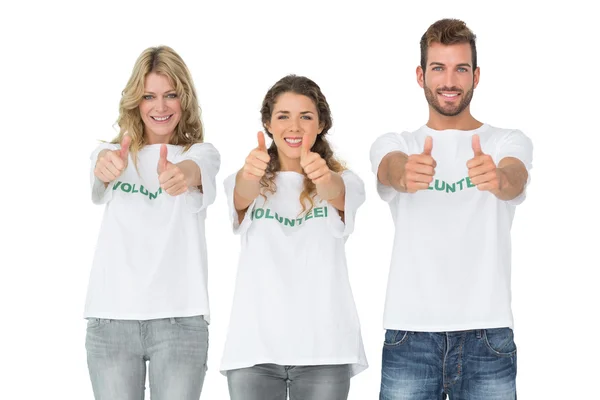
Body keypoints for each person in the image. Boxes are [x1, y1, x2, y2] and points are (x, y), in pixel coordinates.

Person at [370, 19, 533, 400]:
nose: (449, 81)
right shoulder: (398, 142)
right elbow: (389, 167)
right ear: (420, 75)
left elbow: (515, 177)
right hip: (410, 335)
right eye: (438, 68)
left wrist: (497, 177)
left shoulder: (507, 140)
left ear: (476, 76)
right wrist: (403, 172)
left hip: (488, 336)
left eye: (461, 68)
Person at [84, 45, 220, 400]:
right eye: (149, 96)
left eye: (170, 95)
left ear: (184, 99)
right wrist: (108, 168)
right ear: (136, 101)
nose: (160, 107)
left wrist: (180, 176)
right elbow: (100, 176)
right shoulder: (109, 155)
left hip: (181, 321)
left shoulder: (200, 154)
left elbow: (194, 171)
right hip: (110, 320)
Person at [221, 75, 368, 400]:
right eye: (283, 116)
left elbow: (337, 192)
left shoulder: (348, 181)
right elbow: (241, 196)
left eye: (306, 116)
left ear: (321, 124)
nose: (295, 126)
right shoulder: (243, 180)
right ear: (267, 124)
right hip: (253, 351)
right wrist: (250, 175)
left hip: (325, 351)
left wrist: (323, 176)